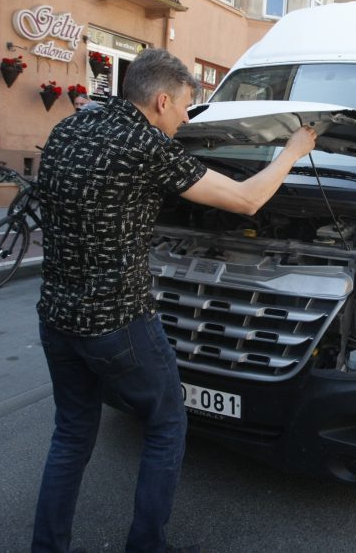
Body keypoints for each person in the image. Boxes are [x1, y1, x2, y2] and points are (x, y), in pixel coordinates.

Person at [32, 48, 316, 553]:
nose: (188, 117)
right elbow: (248, 200)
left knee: (71, 436)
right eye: (186, 104)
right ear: (161, 100)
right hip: (117, 321)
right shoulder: (145, 145)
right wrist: (293, 150)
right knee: (166, 422)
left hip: (56, 316)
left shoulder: (67, 130)